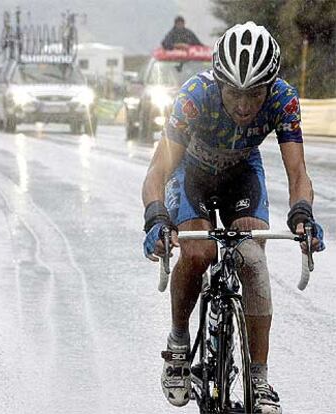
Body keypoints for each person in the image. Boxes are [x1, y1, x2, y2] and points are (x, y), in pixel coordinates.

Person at [142, 21, 325, 413]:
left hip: (242, 174)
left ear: (270, 87)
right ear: (218, 82)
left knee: (253, 260)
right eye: (234, 93)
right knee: (199, 252)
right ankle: (178, 345)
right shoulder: (195, 95)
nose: (244, 105)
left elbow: (298, 175)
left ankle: (259, 379)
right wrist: (156, 217)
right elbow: (157, 172)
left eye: (254, 94)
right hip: (192, 173)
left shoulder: (283, 100)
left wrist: (302, 213)